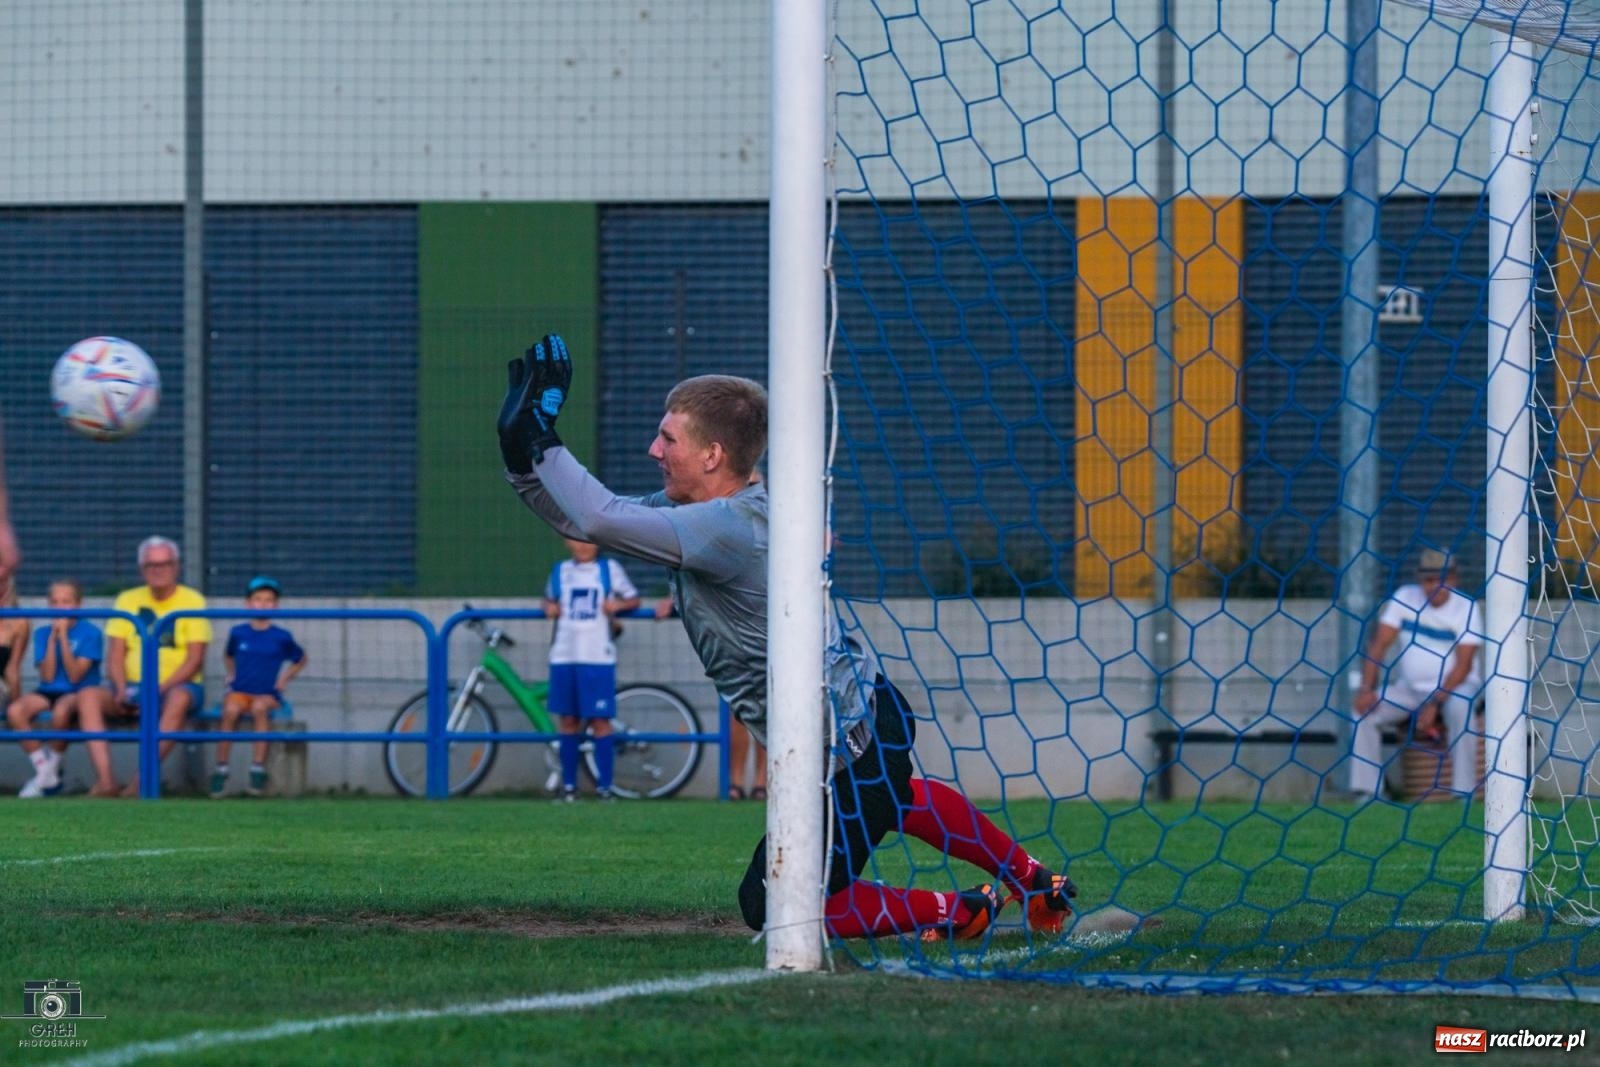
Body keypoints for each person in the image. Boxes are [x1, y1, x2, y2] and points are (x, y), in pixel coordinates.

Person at [498, 333, 1076, 939]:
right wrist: (520, 451)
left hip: (843, 752)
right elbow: (591, 515)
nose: (653, 449)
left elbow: (596, 517)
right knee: (898, 798)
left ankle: (959, 911)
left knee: (775, 903)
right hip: (867, 724)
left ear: (713, 454)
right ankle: (1031, 877)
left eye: (668, 439)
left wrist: (542, 438)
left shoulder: (727, 528)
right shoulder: (717, 515)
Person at [76, 536, 212, 797]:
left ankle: (139, 783)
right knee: (87, 696)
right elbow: (115, 653)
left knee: (180, 699)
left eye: (165, 564)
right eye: (152, 565)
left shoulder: (193, 600)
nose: (159, 570)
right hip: (132, 687)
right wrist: (120, 688)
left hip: (176, 687)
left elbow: (195, 659)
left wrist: (157, 690)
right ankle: (106, 781)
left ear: (177, 567)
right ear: (142, 570)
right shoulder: (127, 600)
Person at [1345, 548, 1484, 800]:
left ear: (1453, 579)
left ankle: (1464, 793)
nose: (1435, 586)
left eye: (1442, 579)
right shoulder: (1404, 597)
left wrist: (1435, 703)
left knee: (1460, 709)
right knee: (1362, 711)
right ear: (1420, 580)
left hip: (1455, 688)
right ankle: (1369, 793)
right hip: (1409, 690)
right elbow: (1377, 646)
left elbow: (1463, 666)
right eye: (1428, 580)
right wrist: (1366, 689)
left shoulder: (1466, 607)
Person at [544, 539, 640, 801]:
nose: (583, 546)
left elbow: (633, 599)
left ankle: (605, 787)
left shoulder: (610, 569)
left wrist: (617, 606)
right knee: (568, 721)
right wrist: (549, 608)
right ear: (566, 542)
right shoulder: (560, 571)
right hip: (565, 656)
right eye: (577, 540)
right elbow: (548, 601)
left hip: (598, 658)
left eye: (588, 540)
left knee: (600, 721)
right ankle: (569, 787)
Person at [655, 595, 768, 801]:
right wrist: (676, 598)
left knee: (770, 714)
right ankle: (736, 783)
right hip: (736, 636)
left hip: (767, 632)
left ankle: (763, 783)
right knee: (740, 714)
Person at [211, 576, 307, 798]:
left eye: (269, 600)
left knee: (260, 709)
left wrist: (284, 680)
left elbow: (301, 659)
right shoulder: (238, 632)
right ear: (248, 603)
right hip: (241, 690)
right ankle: (221, 769)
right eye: (257, 599)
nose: (263, 604)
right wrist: (232, 675)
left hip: (266, 694)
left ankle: (257, 768)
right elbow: (228, 655)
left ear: (276, 605)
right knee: (230, 710)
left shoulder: (281, 636)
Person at [10, 579, 102, 798]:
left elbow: (75, 675)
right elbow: (48, 676)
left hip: (78, 691)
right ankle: (46, 772)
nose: (60, 607)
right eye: (55, 601)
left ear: (78, 604)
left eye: (66, 601)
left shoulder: (91, 633)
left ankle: (47, 774)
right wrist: (53, 640)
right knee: (16, 711)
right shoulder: (43, 633)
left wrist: (62, 638)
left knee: (61, 712)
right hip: (50, 689)